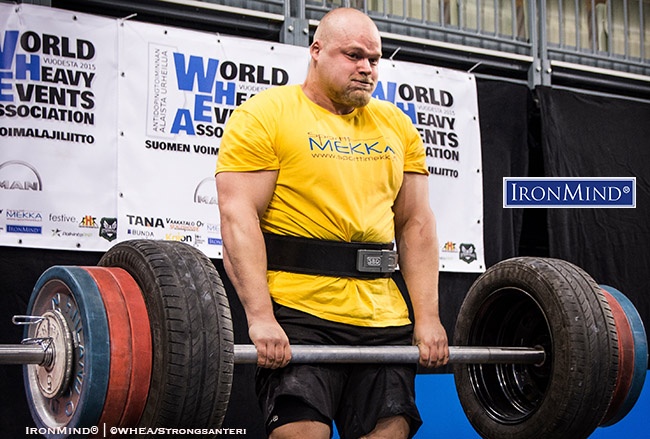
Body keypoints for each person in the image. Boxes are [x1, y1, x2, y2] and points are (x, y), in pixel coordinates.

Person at [215, 7, 448, 439]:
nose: (366, 68)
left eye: (374, 59)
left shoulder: (396, 125)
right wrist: (261, 316)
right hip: (298, 314)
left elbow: (416, 224)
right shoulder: (265, 115)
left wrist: (428, 317)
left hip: (382, 317)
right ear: (316, 51)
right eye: (354, 55)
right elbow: (237, 217)